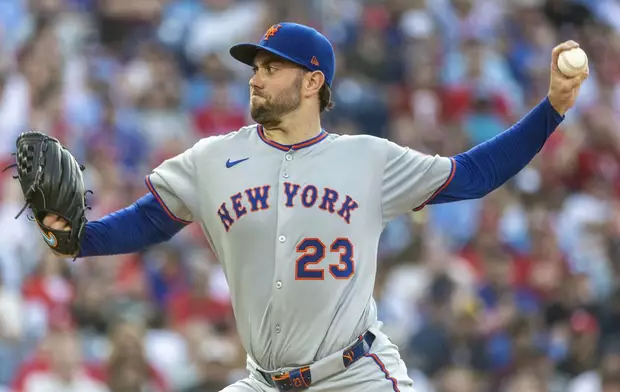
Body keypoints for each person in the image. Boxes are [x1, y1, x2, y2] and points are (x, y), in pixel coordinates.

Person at [41, 23, 588, 392]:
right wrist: (78, 239)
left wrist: (552, 109)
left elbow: (474, 174)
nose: (255, 76)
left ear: (312, 80)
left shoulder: (368, 160)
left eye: (270, 67)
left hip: (354, 376)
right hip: (264, 380)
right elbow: (150, 220)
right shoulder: (212, 159)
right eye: (254, 66)